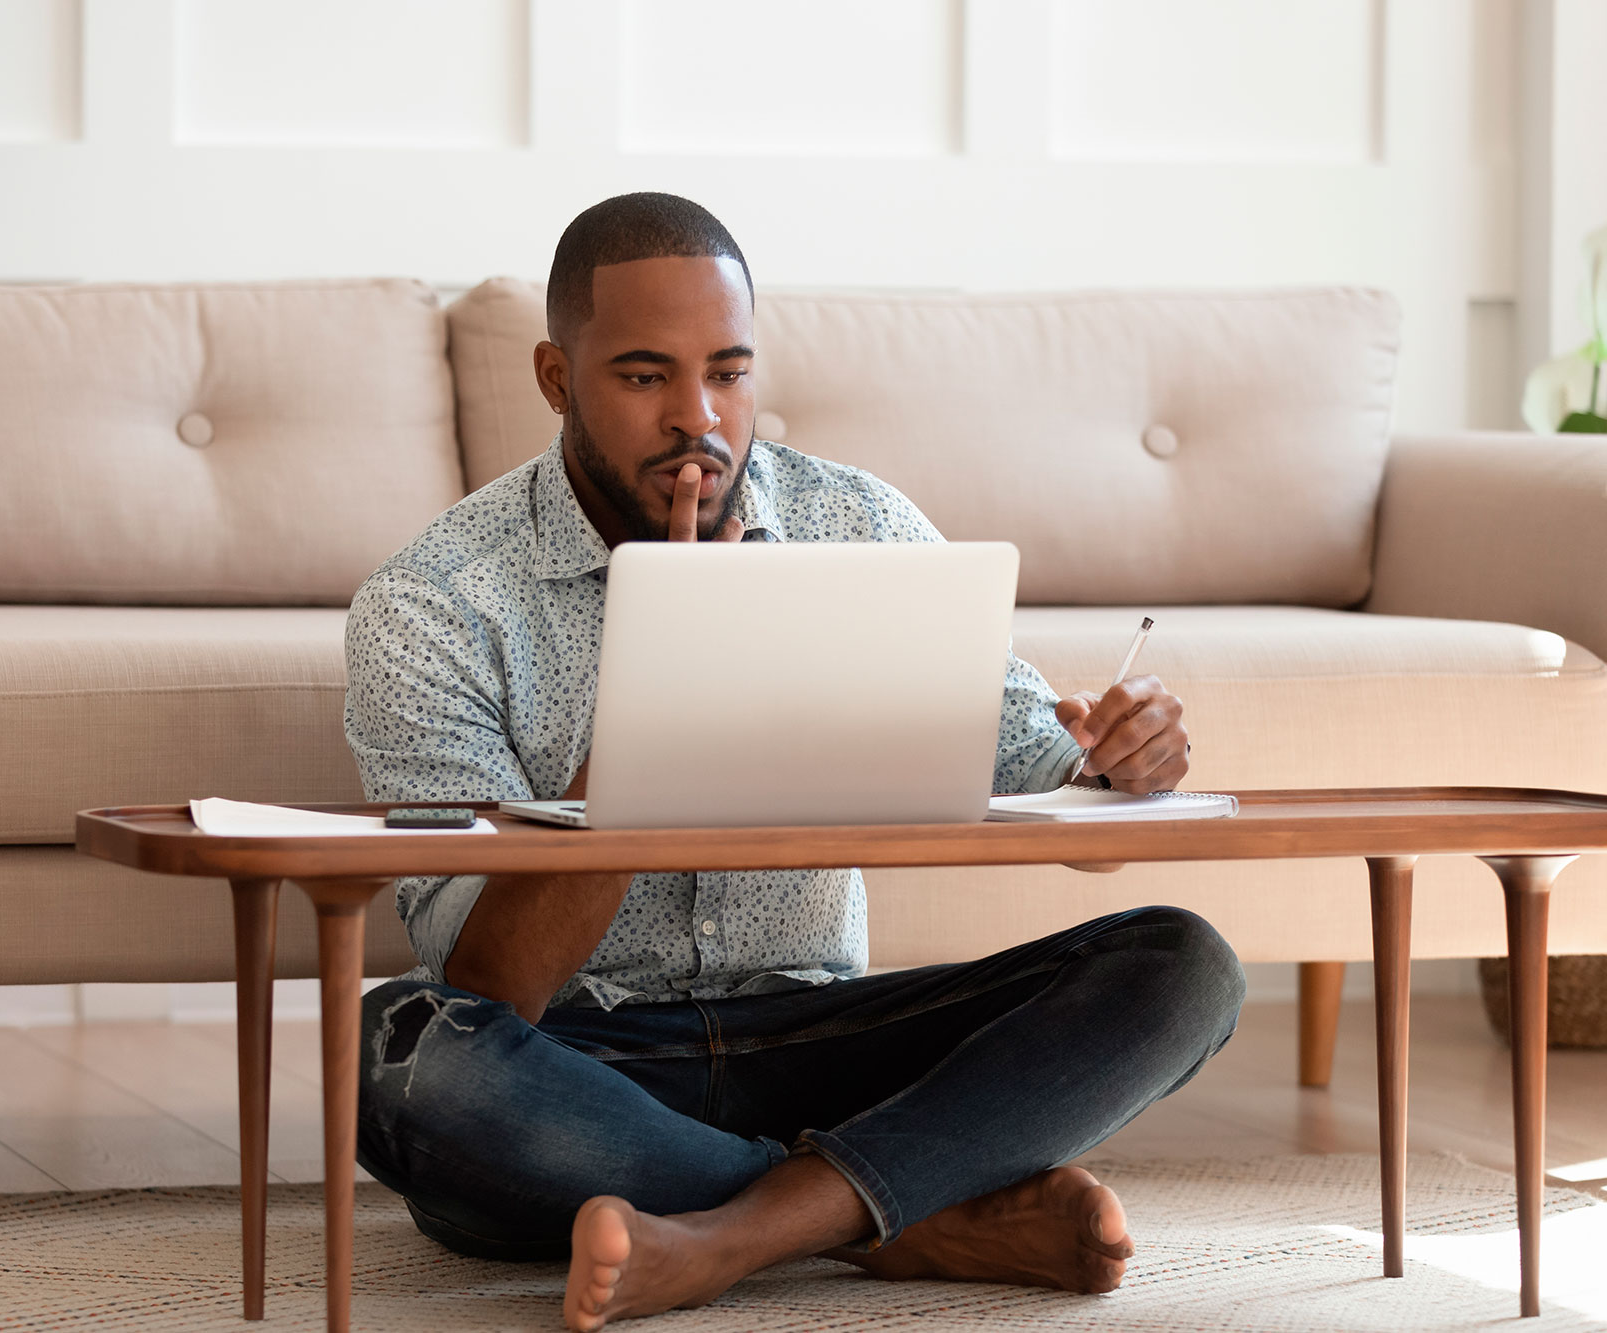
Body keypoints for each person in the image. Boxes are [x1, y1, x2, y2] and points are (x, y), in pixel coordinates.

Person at [343, 192, 1246, 1331]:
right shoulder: (431, 606)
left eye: (727, 372)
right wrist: (659, 692)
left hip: (828, 1039)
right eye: (642, 377)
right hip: (588, 1066)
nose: (697, 420)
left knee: (1184, 964)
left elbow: (1044, 776)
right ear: (554, 378)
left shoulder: (855, 527)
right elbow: (488, 988)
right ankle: (908, 1216)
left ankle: (727, 1234)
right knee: (404, 1051)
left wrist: (1122, 759)